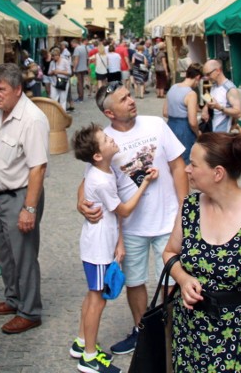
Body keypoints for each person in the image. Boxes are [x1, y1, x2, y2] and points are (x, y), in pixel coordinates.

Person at [79, 83, 189, 355]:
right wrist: (80, 202)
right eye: (123, 99)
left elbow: (178, 166)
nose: (131, 101)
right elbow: (88, 181)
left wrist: (185, 211)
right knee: (134, 282)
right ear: (109, 112)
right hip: (130, 227)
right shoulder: (102, 140)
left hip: (168, 220)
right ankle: (143, 333)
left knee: (172, 280)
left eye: (129, 95)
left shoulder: (156, 125)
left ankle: (173, 335)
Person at [163, 133, 241, 373]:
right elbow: (169, 253)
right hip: (190, 334)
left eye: (194, 164)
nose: (187, 169)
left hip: (239, 336)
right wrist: (183, 278)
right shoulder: (189, 208)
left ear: (217, 173)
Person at [70, 124, 159, 373]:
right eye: (107, 139)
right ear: (97, 155)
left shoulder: (99, 169)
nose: (112, 140)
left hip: (99, 242)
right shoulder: (101, 180)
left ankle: (81, 342)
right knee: (98, 299)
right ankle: (88, 356)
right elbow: (124, 210)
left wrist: (118, 241)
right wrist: (145, 183)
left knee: (93, 294)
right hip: (98, 247)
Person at [0, 63, 50, 334]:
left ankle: (30, 311)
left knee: (24, 256)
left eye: (1, 89)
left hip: (20, 196)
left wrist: (28, 208)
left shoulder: (32, 119)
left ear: (18, 90)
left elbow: (38, 168)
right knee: (6, 254)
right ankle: (13, 299)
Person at [163, 63, 203, 164]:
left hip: (170, 125)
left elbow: (165, 112)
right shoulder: (191, 94)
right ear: (198, 77)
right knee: (186, 160)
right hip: (184, 129)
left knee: (173, 159)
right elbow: (193, 122)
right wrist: (198, 133)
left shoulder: (173, 87)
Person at [202, 59, 241, 133]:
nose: (206, 78)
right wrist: (206, 107)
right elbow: (211, 101)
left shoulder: (230, 88)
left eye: (208, 74)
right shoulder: (213, 85)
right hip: (211, 131)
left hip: (222, 134)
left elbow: (238, 113)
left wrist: (219, 108)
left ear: (218, 71)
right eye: (205, 75)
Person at [49, 45, 72, 110]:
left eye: (54, 56)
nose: (53, 58)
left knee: (63, 99)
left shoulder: (65, 61)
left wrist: (59, 72)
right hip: (54, 82)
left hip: (63, 82)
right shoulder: (52, 63)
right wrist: (52, 72)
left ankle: (63, 114)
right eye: (52, 56)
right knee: (53, 98)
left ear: (58, 55)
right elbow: (49, 73)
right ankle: (54, 112)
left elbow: (69, 72)